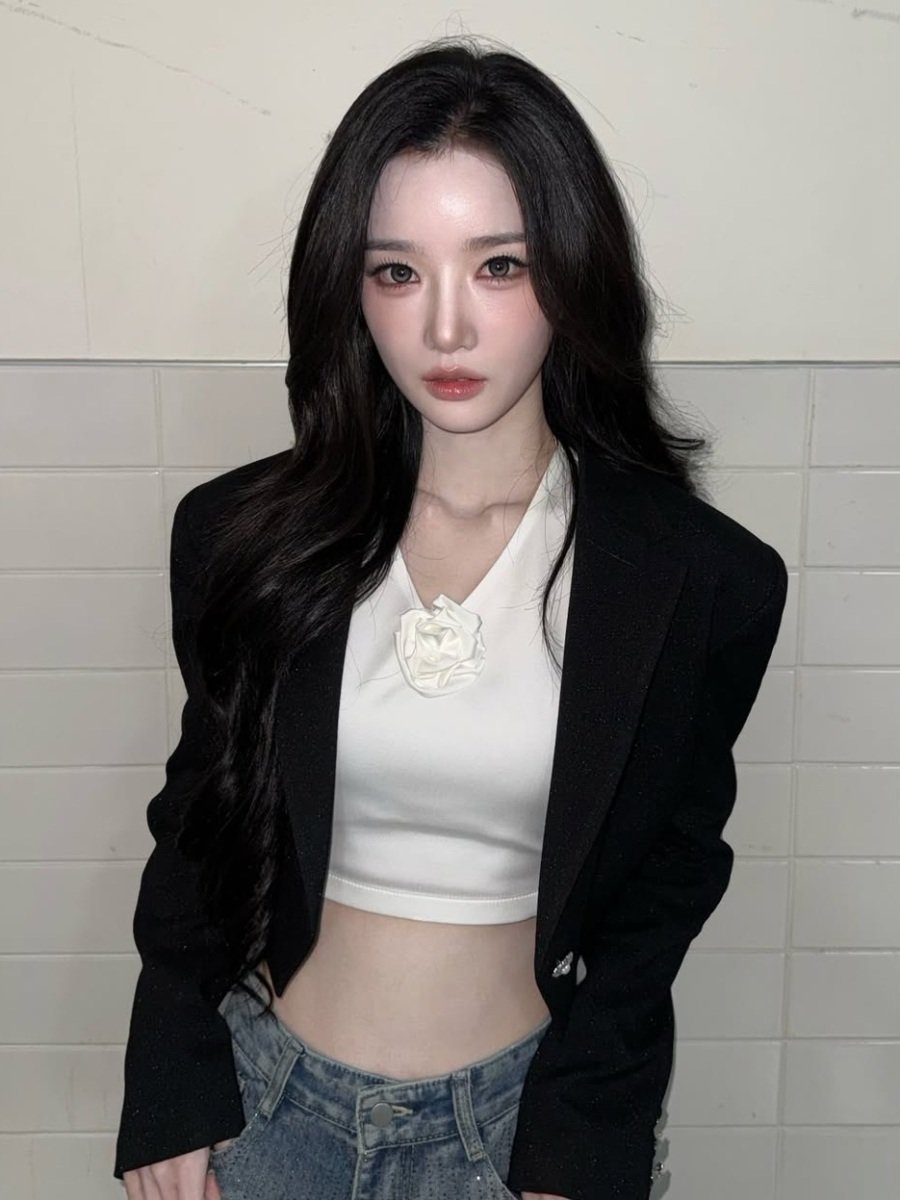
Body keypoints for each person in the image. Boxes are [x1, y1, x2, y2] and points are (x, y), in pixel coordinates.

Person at [114, 35, 787, 1200]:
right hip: (265, 1115)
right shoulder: (243, 538)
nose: (445, 330)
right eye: (397, 272)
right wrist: (170, 1074)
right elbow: (202, 824)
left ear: (572, 271)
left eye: (499, 266)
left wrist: (585, 1135)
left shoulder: (694, 579)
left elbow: (666, 884)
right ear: (349, 286)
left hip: (519, 1138)